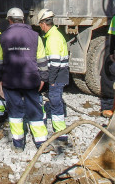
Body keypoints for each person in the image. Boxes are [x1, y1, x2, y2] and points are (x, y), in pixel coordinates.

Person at [0, 7, 48, 152]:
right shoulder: (36, 36)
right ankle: (41, 143)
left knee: (15, 112)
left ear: (9, 20)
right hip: (31, 80)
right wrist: (44, 78)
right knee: (35, 110)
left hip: (11, 81)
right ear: (23, 20)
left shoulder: (2, 38)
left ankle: (18, 144)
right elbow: (42, 60)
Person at [35, 8, 69, 141]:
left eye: (40, 25)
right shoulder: (55, 35)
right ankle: (59, 130)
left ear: (44, 23)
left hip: (58, 75)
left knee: (55, 101)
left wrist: (52, 80)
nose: (41, 28)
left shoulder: (52, 39)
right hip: (60, 74)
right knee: (55, 101)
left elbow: (54, 62)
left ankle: (61, 132)